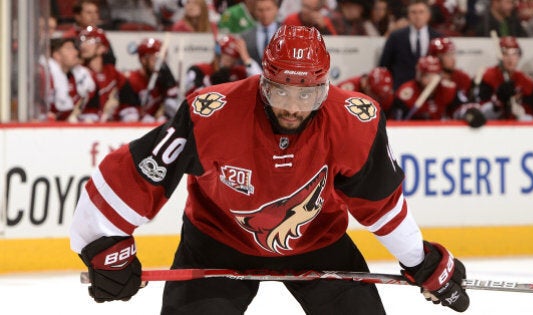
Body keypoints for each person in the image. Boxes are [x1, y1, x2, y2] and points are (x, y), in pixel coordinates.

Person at [69, 25, 470, 314]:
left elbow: (380, 205)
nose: (294, 106)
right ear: (264, 81)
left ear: (325, 87)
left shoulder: (354, 121)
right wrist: (102, 246)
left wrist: (422, 262)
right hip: (215, 243)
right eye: (281, 91)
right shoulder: (212, 113)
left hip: (319, 244)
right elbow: (138, 175)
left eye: (307, 94)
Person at [392, 55, 486, 127]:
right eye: (427, 76)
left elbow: (461, 107)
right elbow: (397, 121)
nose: (432, 80)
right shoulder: (406, 92)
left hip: (442, 135)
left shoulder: (448, 88)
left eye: (435, 75)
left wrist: (470, 112)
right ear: (419, 75)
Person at [378, 0, 442, 91]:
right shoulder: (396, 37)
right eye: (413, 12)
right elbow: (384, 64)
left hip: (430, 90)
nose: (417, 16)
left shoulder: (438, 38)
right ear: (408, 15)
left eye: (421, 12)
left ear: (428, 15)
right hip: (400, 90)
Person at [475, 36, 533, 121]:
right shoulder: (487, 77)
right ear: (500, 57)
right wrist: (498, 101)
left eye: (514, 54)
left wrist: (522, 114)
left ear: (519, 56)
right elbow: (479, 112)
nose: (510, 59)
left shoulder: (528, 83)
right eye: (505, 53)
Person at [117, 38, 180, 122]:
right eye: (156, 59)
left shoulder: (163, 79)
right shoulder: (130, 81)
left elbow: (174, 110)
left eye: (162, 60)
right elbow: (130, 118)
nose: (160, 64)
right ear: (143, 60)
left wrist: (171, 86)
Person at [77, 26, 127, 122]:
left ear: (102, 48)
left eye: (90, 41)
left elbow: (129, 104)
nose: (83, 45)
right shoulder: (78, 73)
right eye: (82, 41)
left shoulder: (113, 73)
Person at [184, 34, 262, 95]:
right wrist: (208, 83)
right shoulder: (200, 70)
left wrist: (246, 58)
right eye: (225, 57)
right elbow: (189, 97)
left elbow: (260, 82)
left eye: (232, 59)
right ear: (217, 55)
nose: (228, 62)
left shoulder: (239, 73)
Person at [63, 0, 117, 65]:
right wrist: (92, 54)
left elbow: (112, 61)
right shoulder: (69, 36)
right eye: (89, 13)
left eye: (96, 12)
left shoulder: (100, 34)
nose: (94, 16)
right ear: (78, 16)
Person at [427, 37, 473, 103]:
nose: (453, 59)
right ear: (437, 57)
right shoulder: (428, 81)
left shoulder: (462, 77)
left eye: (453, 54)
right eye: (448, 55)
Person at [240, 0, 281, 66]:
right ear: (254, 12)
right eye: (260, 10)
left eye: (268, 9)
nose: (265, 14)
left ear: (276, 9)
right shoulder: (246, 37)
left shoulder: (287, 33)